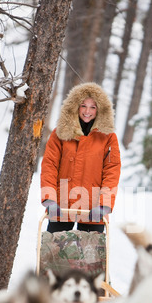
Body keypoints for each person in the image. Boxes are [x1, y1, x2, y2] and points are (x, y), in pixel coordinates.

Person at [40, 82, 121, 233]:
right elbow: (49, 166)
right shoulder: (60, 134)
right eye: (83, 106)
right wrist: (49, 199)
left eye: (93, 107)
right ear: (75, 106)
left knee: (90, 255)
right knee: (55, 252)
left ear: (100, 110)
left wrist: (104, 204)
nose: (87, 111)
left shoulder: (108, 137)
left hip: (94, 206)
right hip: (61, 205)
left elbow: (112, 172)